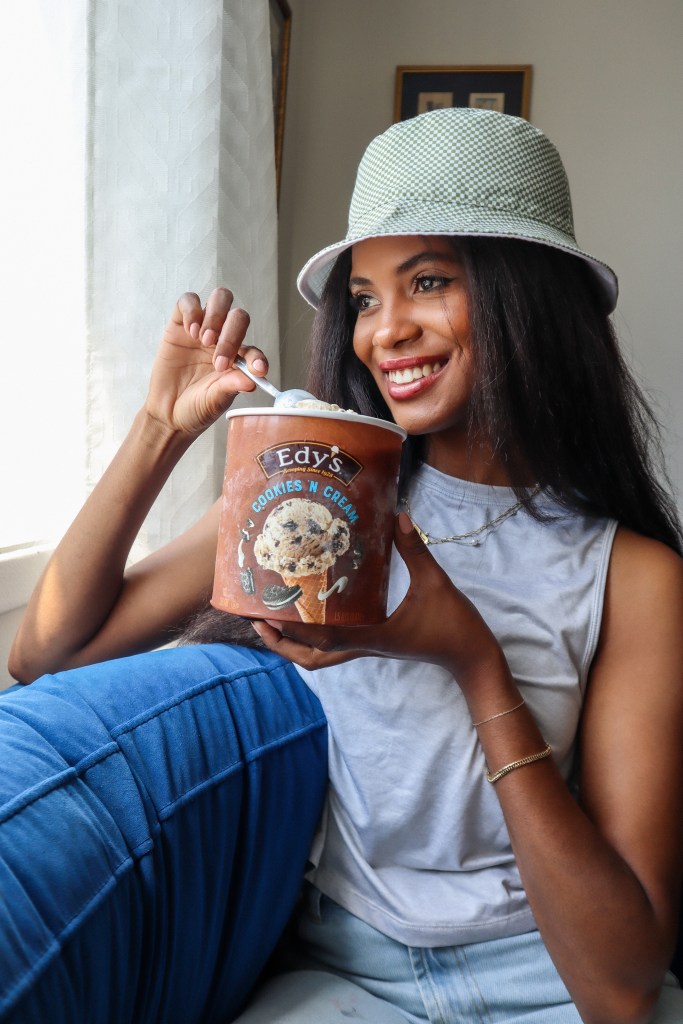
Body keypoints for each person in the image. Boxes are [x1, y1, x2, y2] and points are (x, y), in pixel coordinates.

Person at [9, 108, 683, 1023]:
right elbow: (46, 653)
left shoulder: (629, 575)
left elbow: (620, 988)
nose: (384, 331)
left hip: (544, 977)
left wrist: (472, 661)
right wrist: (161, 427)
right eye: (364, 298)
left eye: (428, 282)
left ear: (527, 296)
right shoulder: (317, 500)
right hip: (344, 974)